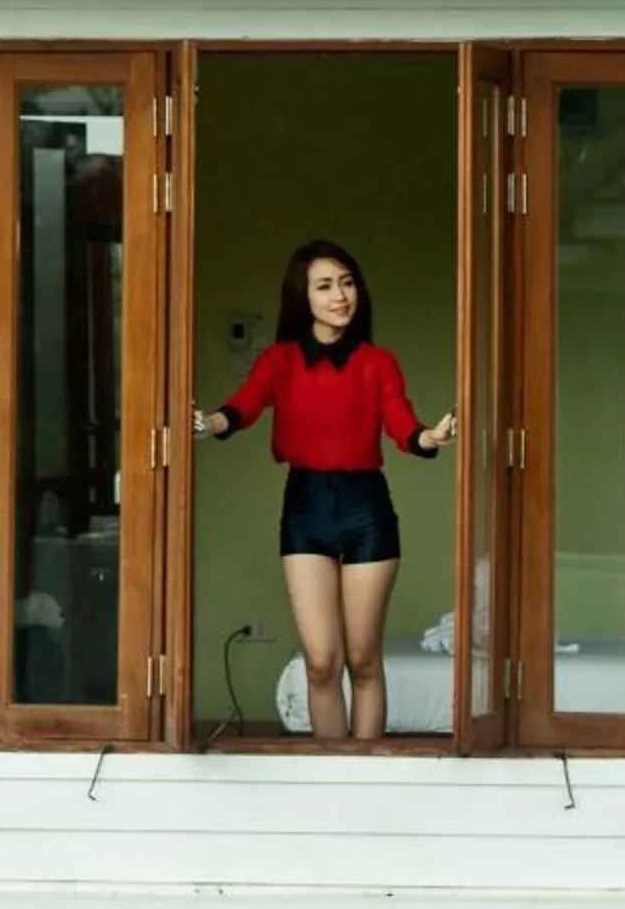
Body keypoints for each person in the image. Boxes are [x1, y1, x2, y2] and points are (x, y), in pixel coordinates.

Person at [188, 239, 454, 742]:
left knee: (362, 658)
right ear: (302, 297)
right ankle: (333, 775)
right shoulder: (279, 361)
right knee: (319, 662)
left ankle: (366, 771)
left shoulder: (378, 362)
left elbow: (401, 423)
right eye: (326, 286)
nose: (340, 296)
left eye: (348, 283)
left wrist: (428, 438)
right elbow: (243, 405)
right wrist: (209, 423)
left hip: (366, 509)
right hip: (305, 508)